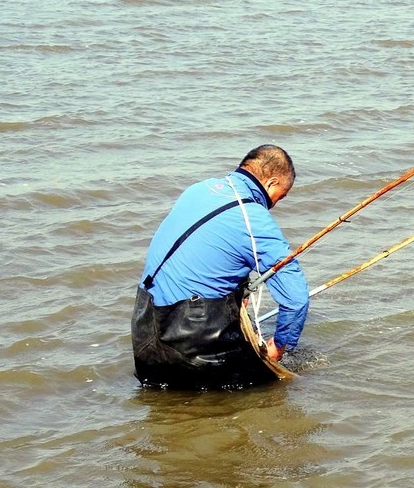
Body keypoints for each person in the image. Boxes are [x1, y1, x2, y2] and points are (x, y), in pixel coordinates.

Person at [131, 144, 309, 389]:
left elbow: (211, 252)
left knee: (165, 403)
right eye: (282, 195)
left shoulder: (198, 190)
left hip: (144, 325)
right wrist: (279, 347)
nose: (276, 204)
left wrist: (241, 292)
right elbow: (296, 299)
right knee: (270, 392)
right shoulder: (253, 218)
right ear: (271, 183)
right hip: (193, 341)